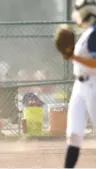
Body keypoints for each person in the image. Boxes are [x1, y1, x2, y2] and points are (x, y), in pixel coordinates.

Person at [63, 0, 96, 168]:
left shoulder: (94, 33)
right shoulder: (87, 33)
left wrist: (72, 56)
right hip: (79, 87)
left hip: (93, 86)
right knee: (73, 135)